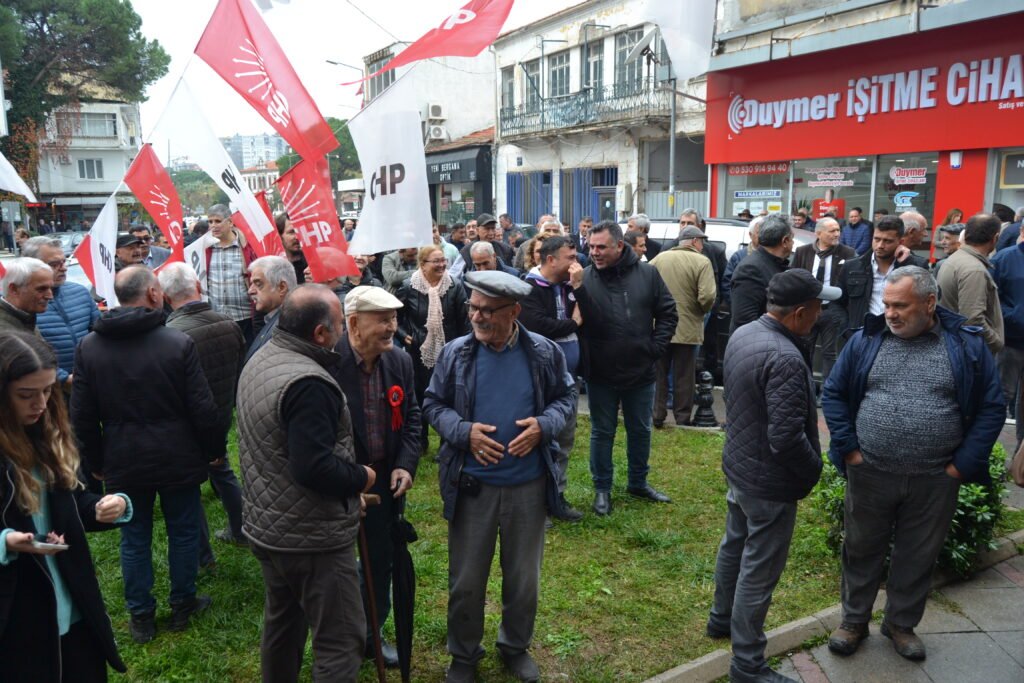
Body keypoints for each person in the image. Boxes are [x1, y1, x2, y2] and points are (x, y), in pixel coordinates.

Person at [822, 266, 1004, 662]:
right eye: (887, 304)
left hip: (935, 478)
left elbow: (992, 407)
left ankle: (900, 625)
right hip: (870, 470)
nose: (890, 313)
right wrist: (851, 450)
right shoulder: (867, 340)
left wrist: (961, 466)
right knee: (861, 547)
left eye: (900, 305)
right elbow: (834, 394)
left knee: (918, 553)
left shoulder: (966, 345)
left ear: (930, 303)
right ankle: (853, 621)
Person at [423, 271, 574, 683]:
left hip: (527, 485)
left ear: (514, 312)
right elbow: (433, 405)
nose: (477, 316)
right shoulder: (456, 353)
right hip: (473, 487)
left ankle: (515, 646)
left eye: (488, 310)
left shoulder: (543, 352)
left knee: (524, 580)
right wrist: (464, 432)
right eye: (473, 308)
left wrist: (544, 424)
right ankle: (464, 655)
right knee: (466, 581)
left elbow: (566, 397)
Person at [71, 266, 223, 644]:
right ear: (155, 294)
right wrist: (213, 451)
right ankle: (183, 602)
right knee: (183, 530)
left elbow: (82, 416)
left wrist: (95, 463)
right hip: (178, 454)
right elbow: (203, 407)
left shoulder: (89, 347)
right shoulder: (176, 343)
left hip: (123, 458)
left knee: (133, 537)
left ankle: (141, 616)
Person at [237, 285, 375, 683]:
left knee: (283, 626)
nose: (344, 335)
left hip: (269, 528)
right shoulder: (309, 383)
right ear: (319, 334)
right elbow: (313, 468)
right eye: (339, 326)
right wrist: (361, 478)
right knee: (341, 640)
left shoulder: (262, 355)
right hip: (311, 538)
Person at [708, 270, 836, 683]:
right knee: (758, 571)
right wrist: (815, 469)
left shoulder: (745, 333)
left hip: (742, 468)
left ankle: (720, 619)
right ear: (799, 313)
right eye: (818, 307)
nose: (821, 313)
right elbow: (785, 436)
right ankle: (747, 664)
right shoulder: (784, 356)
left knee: (735, 545)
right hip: (769, 482)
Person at [0, 331, 133, 682]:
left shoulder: (51, 432)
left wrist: (105, 507)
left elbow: (73, 501)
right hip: (17, 616)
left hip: (73, 605)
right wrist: (6, 542)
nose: (41, 404)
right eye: (26, 395)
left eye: (47, 391)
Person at [328, 285, 422, 668]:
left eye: (394, 318)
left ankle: (372, 632)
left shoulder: (398, 361)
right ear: (353, 323)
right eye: (382, 320)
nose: (391, 327)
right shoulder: (327, 364)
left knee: (380, 559)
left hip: (384, 479)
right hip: (338, 479)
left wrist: (405, 462)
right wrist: (350, 484)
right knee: (334, 564)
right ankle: (336, 637)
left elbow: (412, 416)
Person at [572, 220, 677, 515]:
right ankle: (602, 489)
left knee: (640, 429)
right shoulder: (585, 279)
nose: (594, 252)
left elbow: (668, 312)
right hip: (601, 371)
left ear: (620, 245)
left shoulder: (648, 274)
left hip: (640, 370)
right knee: (601, 431)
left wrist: (654, 348)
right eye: (591, 247)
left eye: (601, 247)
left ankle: (638, 482)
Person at [160, 262, 248, 565]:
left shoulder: (170, 335)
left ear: (164, 295)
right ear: (197, 285)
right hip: (221, 413)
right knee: (222, 469)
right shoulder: (228, 322)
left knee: (189, 487)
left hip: (186, 423)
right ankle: (241, 529)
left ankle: (203, 555)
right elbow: (239, 369)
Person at [519, 235, 586, 522]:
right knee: (539, 439)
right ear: (550, 259)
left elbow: (589, 315)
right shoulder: (529, 288)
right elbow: (540, 326)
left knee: (564, 438)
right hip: (538, 380)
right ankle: (535, 503)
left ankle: (556, 497)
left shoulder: (570, 286)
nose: (576, 263)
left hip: (568, 381)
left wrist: (579, 291)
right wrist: (573, 322)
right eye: (570, 258)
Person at [397, 246, 470, 452]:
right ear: (422, 264)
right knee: (419, 396)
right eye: (436, 261)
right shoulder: (408, 286)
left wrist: (463, 346)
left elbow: (464, 321)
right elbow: (396, 319)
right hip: (418, 352)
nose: (441, 265)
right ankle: (420, 442)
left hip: (449, 351)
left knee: (449, 396)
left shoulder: (455, 285)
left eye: (443, 260)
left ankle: (448, 441)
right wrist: (404, 336)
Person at [649, 225, 717, 428]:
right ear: (695, 241)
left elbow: (645, 285)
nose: (703, 245)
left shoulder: (659, 259)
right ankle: (682, 417)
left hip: (659, 326)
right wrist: (701, 311)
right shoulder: (702, 261)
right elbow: (707, 296)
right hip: (687, 327)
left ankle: (657, 414)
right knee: (685, 376)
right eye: (701, 241)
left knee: (658, 373)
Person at [22, 237, 100, 393]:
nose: (63, 268)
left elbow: (101, 332)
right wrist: (63, 378)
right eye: (54, 264)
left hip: (88, 383)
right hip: (45, 390)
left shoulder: (80, 292)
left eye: (64, 262)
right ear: (31, 265)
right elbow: (25, 351)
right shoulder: (21, 301)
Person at [835, 215, 927, 337]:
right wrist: (847, 331)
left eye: (887, 241)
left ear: (901, 242)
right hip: (861, 336)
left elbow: (932, 295)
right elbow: (836, 303)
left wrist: (907, 263)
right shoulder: (852, 266)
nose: (880, 245)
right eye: (876, 239)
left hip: (899, 337)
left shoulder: (916, 264)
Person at [791, 217, 856, 390]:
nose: (837, 234)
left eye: (838, 230)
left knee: (830, 352)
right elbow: (794, 277)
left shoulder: (847, 253)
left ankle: (829, 390)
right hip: (808, 309)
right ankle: (807, 388)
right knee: (806, 349)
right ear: (818, 233)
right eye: (832, 231)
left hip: (832, 309)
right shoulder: (802, 251)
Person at [935, 213, 1004, 357]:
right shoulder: (974, 269)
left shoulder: (956, 260)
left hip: (956, 347)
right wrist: (996, 342)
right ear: (995, 238)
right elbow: (972, 319)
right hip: (968, 352)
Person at [729, 215, 793, 333]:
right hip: (754, 345)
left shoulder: (776, 264)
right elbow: (744, 319)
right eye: (792, 238)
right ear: (785, 241)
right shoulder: (751, 269)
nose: (793, 243)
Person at [204, 204, 258, 343]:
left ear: (230, 222)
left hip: (245, 316)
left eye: (217, 221)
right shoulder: (205, 249)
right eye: (210, 222)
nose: (213, 226)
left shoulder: (247, 247)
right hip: (216, 319)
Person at [993, 223, 1024, 432]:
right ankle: (992, 452)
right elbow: (991, 298)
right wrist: (1013, 316)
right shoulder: (1004, 258)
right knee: (1003, 395)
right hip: (1012, 341)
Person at [246, 255, 300, 361]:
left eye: (258, 284)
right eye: (251, 284)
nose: (250, 291)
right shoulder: (277, 318)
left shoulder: (289, 326)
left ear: (282, 287)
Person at [0, 256, 54, 333]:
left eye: (51, 288)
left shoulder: (25, 316)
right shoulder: (5, 331)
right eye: (41, 289)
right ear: (14, 289)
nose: (50, 296)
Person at [722, 216, 764, 305]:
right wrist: (737, 306)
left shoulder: (770, 256)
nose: (762, 236)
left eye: (764, 232)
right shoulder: (739, 257)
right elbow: (727, 285)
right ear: (750, 234)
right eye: (758, 232)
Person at [275, 213, 307, 285]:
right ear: (279, 236)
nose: (297, 237)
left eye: (300, 231)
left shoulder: (312, 264)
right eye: (292, 232)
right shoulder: (275, 267)